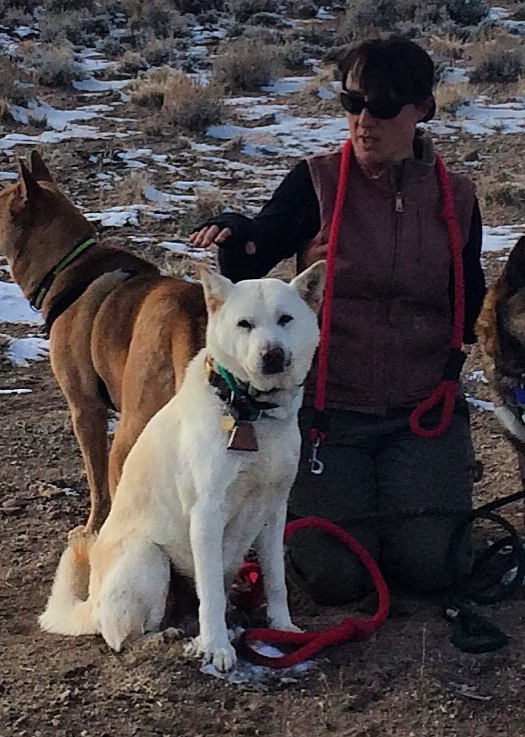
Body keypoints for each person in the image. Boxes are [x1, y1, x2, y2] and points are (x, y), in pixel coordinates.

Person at [189, 35, 484, 601]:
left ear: (423, 108)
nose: (363, 121)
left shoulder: (459, 200)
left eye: (383, 107)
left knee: (431, 569)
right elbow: (256, 254)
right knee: (335, 580)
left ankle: (415, 506)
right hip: (328, 416)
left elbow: (473, 308)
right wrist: (237, 236)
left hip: (424, 412)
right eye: (352, 103)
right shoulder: (316, 182)